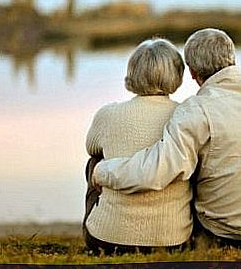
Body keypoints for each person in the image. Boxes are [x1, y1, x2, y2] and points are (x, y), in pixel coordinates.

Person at [92, 28, 241, 250]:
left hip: (223, 233)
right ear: (233, 59)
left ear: (191, 73)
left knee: (190, 159)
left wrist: (102, 172)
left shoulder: (197, 110)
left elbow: (157, 170)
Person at [83, 38, 193, 255]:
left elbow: (91, 146)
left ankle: (107, 220)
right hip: (172, 241)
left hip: (107, 240)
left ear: (132, 73)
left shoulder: (108, 114)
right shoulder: (187, 116)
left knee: (94, 162)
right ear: (177, 75)